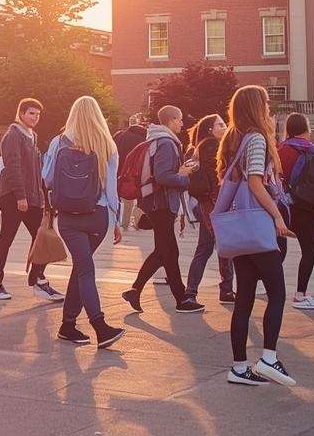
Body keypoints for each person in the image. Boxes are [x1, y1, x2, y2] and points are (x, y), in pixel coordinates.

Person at [217, 85, 297, 387]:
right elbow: (254, 182)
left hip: (241, 230)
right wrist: (277, 216)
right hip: (258, 225)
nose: (270, 109)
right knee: (277, 292)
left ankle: (239, 367)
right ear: (255, 107)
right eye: (266, 103)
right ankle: (268, 359)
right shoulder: (257, 140)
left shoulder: (233, 139)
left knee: (245, 299)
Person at [42, 96, 125, 349]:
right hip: (97, 216)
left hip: (68, 217)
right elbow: (111, 189)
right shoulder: (108, 145)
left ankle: (68, 326)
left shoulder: (59, 142)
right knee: (85, 268)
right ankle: (99, 326)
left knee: (81, 267)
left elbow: (46, 179)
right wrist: (118, 219)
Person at [122, 105, 205, 314]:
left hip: (158, 203)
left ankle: (135, 290)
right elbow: (162, 176)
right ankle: (181, 299)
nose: (182, 123)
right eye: (179, 120)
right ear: (171, 120)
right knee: (169, 251)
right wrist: (185, 178)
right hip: (161, 204)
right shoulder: (167, 143)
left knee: (163, 251)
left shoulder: (158, 140)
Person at [0, 98, 64, 302]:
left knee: (42, 238)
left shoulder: (31, 135)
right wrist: (20, 196)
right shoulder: (13, 135)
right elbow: (13, 167)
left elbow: (36, 171)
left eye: (38, 114)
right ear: (21, 113)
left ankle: (38, 279)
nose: (35, 117)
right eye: (31, 113)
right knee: (7, 238)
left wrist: (43, 197)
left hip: (31, 198)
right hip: (13, 196)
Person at [182, 113, 235, 305]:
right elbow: (218, 179)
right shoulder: (213, 147)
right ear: (210, 130)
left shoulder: (194, 149)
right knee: (223, 247)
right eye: (220, 124)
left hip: (203, 204)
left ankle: (192, 292)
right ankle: (225, 290)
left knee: (205, 248)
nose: (225, 126)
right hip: (215, 204)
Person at [276, 113, 314, 310]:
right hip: (305, 206)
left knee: (279, 250)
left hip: (282, 206)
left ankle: (271, 288)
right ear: (306, 128)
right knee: (308, 251)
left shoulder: (280, 149)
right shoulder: (311, 149)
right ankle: (300, 294)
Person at [112, 114, 145, 230]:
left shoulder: (119, 135)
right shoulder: (144, 139)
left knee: (116, 197)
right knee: (134, 199)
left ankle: (117, 222)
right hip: (137, 174)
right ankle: (131, 223)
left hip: (117, 171)